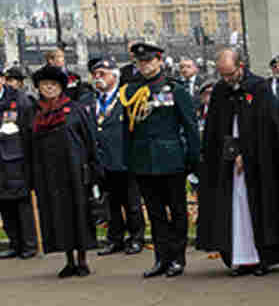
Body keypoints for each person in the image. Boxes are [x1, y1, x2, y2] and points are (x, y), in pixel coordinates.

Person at [197, 49, 279, 275]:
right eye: (223, 75)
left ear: (240, 66)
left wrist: (247, 154)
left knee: (258, 208)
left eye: (230, 74)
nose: (227, 79)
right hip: (228, 160)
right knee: (235, 209)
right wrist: (230, 153)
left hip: (258, 161)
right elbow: (215, 130)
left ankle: (262, 258)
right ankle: (241, 257)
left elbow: (267, 128)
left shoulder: (259, 88)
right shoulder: (220, 91)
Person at [120, 42, 199, 277]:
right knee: (155, 213)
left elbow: (190, 126)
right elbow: (127, 130)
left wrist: (193, 158)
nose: (145, 65)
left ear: (159, 61)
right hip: (143, 160)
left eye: (149, 60)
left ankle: (178, 258)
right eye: (140, 62)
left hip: (171, 158)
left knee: (177, 210)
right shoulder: (131, 91)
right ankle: (161, 258)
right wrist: (129, 159)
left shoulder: (175, 89)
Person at [29, 64, 101, 277]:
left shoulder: (75, 109)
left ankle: (82, 260)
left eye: (53, 84)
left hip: (75, 171)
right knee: (58, 215)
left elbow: (89, 139)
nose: (49, 88)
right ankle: (69, 260)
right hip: (49, 174)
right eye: (44, 85)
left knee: (79, 213)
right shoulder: (37, 113)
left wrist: (94, 168)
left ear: (61, 87)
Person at [90, 59, 145, 256]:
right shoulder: (90, 100)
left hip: (124, 158)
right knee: (110, 203)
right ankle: (115, 239)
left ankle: (136, 237)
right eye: (95, 74)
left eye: (102, 74)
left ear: (115, 76)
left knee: (132, 202)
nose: (98, 78)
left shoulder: (125, 97)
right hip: (102, 161)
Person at [0, 69, 38, 259]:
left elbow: (29, 133)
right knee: (4, 205)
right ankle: (15, 243)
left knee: (21, 204)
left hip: (16, 161)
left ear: (2, 79)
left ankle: (29, 245)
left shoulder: (19, 100)